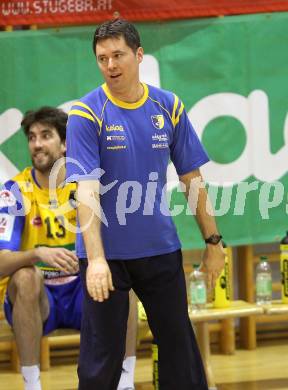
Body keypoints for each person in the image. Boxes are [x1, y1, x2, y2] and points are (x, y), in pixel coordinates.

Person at [66, 19, 225, 390]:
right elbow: (86, 191)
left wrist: (214, 242)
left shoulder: (167, 106)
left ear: (139, 55)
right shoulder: (86, 113)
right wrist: (97, 261)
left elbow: (192, 179)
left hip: (158, 248)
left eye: (118, 55)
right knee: (100, 359)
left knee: (178, 349)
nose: (110, 65)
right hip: (106, 256)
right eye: (102, 58)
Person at [0, 106, 137, 390]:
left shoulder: (86, 185)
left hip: (82, 293)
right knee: (25, 277)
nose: (36, 144)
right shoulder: (14, 190)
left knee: (123, 275)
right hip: (39, 300)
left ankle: (125, 382)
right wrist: (37, 254)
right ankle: (32, 385)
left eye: (46, 135)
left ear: (64, 145)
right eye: (32, 137)